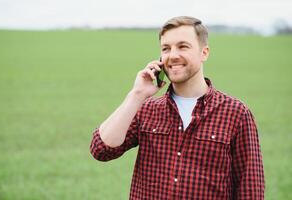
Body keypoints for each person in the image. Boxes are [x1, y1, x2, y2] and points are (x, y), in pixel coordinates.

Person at [90, 16, 265, 199]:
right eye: (166, 48)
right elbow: (101, 150)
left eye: (183, 46)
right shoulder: (147, 109)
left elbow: (250, 189)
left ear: (204, 53)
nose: (172, 55)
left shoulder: (235, 114)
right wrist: (137, 94)